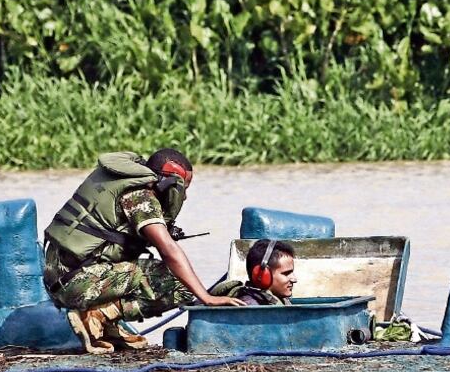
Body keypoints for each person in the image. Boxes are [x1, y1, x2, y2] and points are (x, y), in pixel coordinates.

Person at [42, 149, 244, 354]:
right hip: (76, 283)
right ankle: (98, 315)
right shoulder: (140, 197)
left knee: (145, 272)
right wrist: (207, 297)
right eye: (183, 188)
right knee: (179, 285)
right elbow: (169, 250)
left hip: (59, 277)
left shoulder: (122, 181)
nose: (185, 196)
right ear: (169, 183)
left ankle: (104, 325)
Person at [227, 239, 298, 306]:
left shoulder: (277, 300)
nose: (294, 279)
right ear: (262, 276)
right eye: (286, 273)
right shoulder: (251, 308)